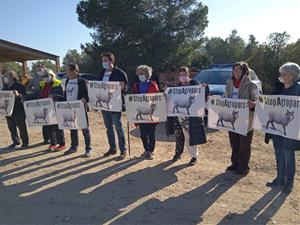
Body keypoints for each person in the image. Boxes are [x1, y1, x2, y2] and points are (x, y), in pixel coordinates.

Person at [265, 62, 300, 193]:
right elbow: (268, 103)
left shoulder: (298, 89)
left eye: (286, 73)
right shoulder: (279, 87)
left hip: (291, 129)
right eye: (282, 73)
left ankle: (289, 183)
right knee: (279, 153)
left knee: (289, 155)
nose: (283, 76)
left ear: (293, 75)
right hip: (277, 129)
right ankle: (279, 179)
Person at [165, 67, 208, 166]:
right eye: (180, 75)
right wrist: (166, 93)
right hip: (179, 115)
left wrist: (205, 88)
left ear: (188, 75)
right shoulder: (178, 86)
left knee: (190, 136)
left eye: (184, 74)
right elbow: (172, 98)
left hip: (191, 116)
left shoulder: (195, 83)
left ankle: (194, 156)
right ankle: (178, 153)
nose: (182, 77)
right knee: (179, 134)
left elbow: (202, 95)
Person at [224, 62, 258, 175]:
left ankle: (243, 167)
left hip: (246, 119)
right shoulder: (229, 83)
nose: (236, 72)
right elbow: (225, 98)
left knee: (244, 144)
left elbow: (258, 102)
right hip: (233, 118)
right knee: (234, 142)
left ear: (244, 71)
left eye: (238, 70)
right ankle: (235, 164)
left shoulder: (252, 85)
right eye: (234, 70)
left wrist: (254, 104)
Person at [96, 52, 128, 159]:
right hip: (104, 106)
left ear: (112, 61)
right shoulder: (101, 73)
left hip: (115, 104)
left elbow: (126, 88)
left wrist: (123, 87)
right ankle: (112, 149)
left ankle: (123, 150)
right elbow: (96, 87)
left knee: (118, 128)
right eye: (103, 61)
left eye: (106, 60)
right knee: (108, 128)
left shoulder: (120, 73)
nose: (104, 63)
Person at [32, 68, 65, 152]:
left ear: (51, 75)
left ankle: (62, 144)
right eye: (43, 76)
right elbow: (36, 94)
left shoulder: (58, 84)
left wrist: (55, 96)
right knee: (49, 127)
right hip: (45, 109)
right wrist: (25, 98)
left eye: (46, 75)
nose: (44, 77)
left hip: (55, 108)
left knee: (58, 127)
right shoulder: (42, 84)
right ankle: (53, 144)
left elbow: (63, 97)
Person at [63, 63, 92, 157]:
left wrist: (84, 99)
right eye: (67, 70)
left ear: (75, 71)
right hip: (70, 108)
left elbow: (87, 96)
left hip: (80, 109)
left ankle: (88, 149)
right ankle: (73, 147)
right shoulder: (67, 81)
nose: (67, 72)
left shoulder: (81, 81)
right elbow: (66, 95)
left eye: (69, 70)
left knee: (85, 129)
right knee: (73, 129)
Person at [132, 65, 159, 160]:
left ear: (147, 74)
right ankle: (146, 149)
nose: (140, 75)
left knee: (151, 133)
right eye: (139, 73)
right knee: (143, 134)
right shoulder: (136, 86)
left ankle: (151, 150)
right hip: (141, 112)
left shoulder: (153, 85)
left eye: (142, 73)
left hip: (151, 113)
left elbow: (157, 99)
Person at [2, 70, 29, 149]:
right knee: (11, 127)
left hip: (18, 109)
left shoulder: (19, 85)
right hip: (8, 110)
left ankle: (25, 142)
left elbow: (25, 95)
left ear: (12, 76)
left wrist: (18, 95)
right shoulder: (5, 86)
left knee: (21, 127)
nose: (5, 77)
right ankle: (15, 141)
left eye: (7, 76)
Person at [27, 64, 50, 144]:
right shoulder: (34, 78)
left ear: (44, 69)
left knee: (51, 119)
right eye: (38, 70)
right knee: (44, 120)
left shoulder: (48, 76)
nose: (39, 71)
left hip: (48, 99)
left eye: (41, 69)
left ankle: (53, 138)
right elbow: (29, 87)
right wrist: (33, 91)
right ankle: (46, 138)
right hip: (39, 100)